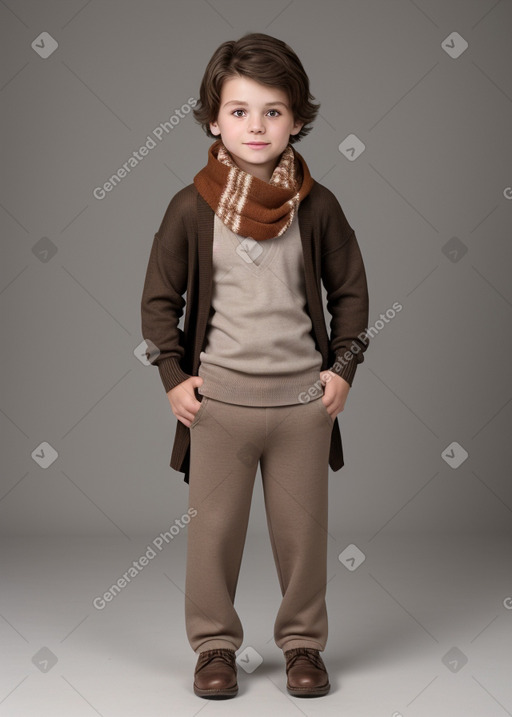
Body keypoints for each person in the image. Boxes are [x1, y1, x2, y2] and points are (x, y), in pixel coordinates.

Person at [141, 31, 370, 699]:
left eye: (273, 111)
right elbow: (160, 298)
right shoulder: (192, 207)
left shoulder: (318, 206)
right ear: (213, 119)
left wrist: (344, 368)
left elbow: (350, 291)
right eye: (239, 110)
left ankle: (304, 646)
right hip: (218, 407)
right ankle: (214, 644)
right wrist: (173, 378)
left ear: (298, 118)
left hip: (304, 406)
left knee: (303, 537)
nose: (256, 125)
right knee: (212, 535)